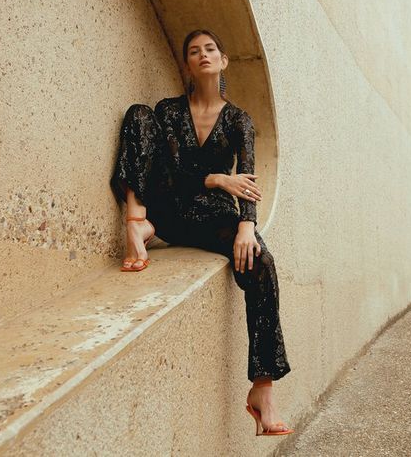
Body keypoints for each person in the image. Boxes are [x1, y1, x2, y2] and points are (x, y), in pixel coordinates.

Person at [109, 29, 294, 436]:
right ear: (188, 65)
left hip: (212, 218)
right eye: (194, 51)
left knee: (260, 261)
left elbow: (247, 179)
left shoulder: (239, 120)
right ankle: (137, 225)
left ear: (224, 61)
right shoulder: (168, 111)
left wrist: (247, 227)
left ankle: (262, 389)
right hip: (170, 207)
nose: (203, 55)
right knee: (138, 114)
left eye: (211, 49)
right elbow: (168, 177)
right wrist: (215, 178)